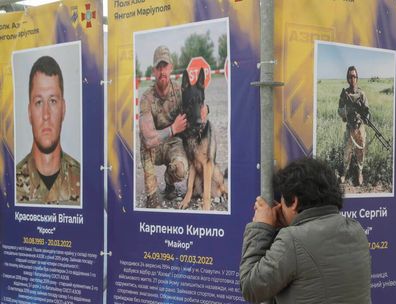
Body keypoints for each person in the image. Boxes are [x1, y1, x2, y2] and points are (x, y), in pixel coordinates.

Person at [240, 158, 372, 304]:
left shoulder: (292, 240)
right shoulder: (355, 229)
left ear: (294, 201)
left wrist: (261, 227)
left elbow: (250, 289)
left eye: (282, 200)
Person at [139, 45, 208, 208]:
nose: (162, 71)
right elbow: (148, 140)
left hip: (173, 144)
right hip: (152, 148)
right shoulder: (146, 98)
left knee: (181, 169)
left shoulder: (180, 90)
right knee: (146, 145)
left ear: (171, 68)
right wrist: (172, 129)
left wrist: (206, 109)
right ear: (154, 71)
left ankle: (169, 181)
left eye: (165, 66)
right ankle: (151, 194)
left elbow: (197, 105)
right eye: (158, 67)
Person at [16, 56, 80, 205]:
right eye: (39, 102)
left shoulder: (84, 182)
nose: (46, 114)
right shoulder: (9, 184)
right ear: (29, 112)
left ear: (63, 109)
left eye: (52, 101)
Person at [338, 66, 370, 186]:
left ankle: (359, 173)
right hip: (350, 127)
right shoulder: (344, 94)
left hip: (360, 127)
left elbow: (367, 111)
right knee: (347, 151)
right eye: (350, 76)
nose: (353, 79)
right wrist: (347, 111)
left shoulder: (362, 94)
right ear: (347, 78)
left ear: (357, 78)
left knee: (360, 150)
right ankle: (344, 173)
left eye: (354, 76)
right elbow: (339, 110)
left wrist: (364, 114)